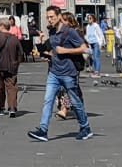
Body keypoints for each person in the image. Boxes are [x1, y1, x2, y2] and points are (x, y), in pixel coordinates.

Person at [28, 11, 92, 143]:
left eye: (51, 17)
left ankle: (85, 127)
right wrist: (46, 50)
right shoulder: (52, 32)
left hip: (69, 73)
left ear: (59, 17)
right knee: (48, 100)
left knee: (75, 101)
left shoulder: (71, 32)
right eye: (47, 17)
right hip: (54, 73)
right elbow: (48, 50)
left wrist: (65, 51)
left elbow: (85, 48)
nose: (49, 19)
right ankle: (43, 130)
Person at [0, 15, 23, 119]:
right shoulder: (15, 39)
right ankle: (12, 108)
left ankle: (0, 108)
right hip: (12, 67)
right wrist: (17, 64)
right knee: (12, 87)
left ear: (2, 26)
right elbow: (20, 54)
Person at [84, 14, 107, 79]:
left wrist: (101, 44)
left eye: (90, 18)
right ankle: (95, 70)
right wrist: (87, 41)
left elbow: (100, 34)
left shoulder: (96, 25)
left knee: (96, 57)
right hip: (90, 43)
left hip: (96, 43)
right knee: (93, 58)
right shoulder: (88, 26)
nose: (89, 19)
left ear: (93, 19)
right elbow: (87, 35)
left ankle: (97, 71)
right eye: (88, 18)